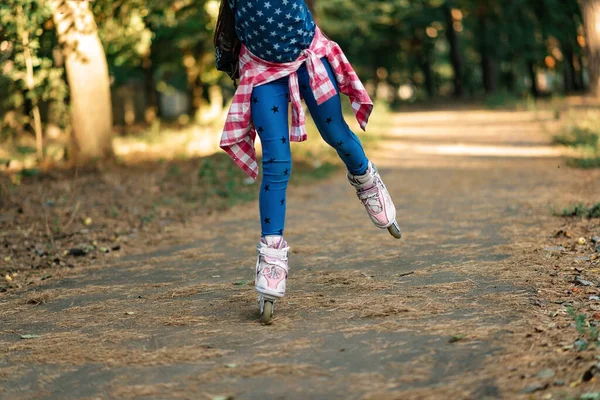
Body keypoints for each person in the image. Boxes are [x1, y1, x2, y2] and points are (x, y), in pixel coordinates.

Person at [214, 0, 401, 323]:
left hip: (307, 58)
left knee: (336, 134)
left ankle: (366, 178)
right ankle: (271, 256)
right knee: (276, 162)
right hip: (262, 71)